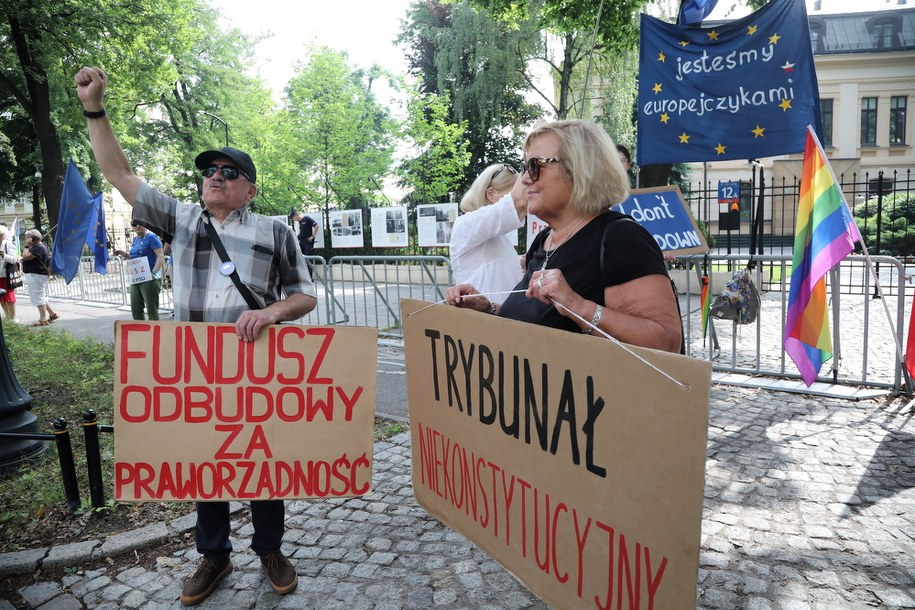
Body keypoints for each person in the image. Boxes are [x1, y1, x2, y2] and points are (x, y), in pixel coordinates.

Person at [76, 66, 317, 606]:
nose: (215, 175)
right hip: (193, 369)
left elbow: (306, 294)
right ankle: (214, 555)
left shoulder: (274, 231)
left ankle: (271, 549)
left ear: (249, 189)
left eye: (229, 172)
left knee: (260, 458)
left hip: (254, 367)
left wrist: (272, 313)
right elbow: (117, 173)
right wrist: (95, 107)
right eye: (209, 169)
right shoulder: (182, 219)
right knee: (205, 461)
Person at [445, 119, 682, 354]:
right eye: (525, 166)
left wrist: (578, 306)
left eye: (536, 165)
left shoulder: (619, 237)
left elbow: (666, 342)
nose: (526, 178)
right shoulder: (546, 239)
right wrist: (490, 309)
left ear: (579, 169)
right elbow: (539, 323)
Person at [449, 164, 527, 304]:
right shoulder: (466, 224)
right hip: (484, 322)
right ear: (491, 194)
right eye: (511, 194)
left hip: (499, 319)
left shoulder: (497, 237)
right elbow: (518, 203)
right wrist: (533, 159)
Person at [113, 222, 165, 320]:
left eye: (139, 223)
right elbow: (133, 257)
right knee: (136, 309)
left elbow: (160, 256)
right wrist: (121, 253)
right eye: (134, 224)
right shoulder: (136, 239)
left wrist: (154, 272)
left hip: (150, 278)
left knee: (152, 310)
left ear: (146, 224)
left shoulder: (151, 237)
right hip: (136, 278)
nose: (137, 226)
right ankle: (140, 333)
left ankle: (155, 333)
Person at [20, 229, 60, 327]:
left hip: (36, 275)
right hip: (36, 275)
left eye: (27, 238)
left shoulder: (37, 247)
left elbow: (25, 256)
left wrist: (26, 245)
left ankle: (43, 319)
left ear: (32, 239)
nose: (26, 239)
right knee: (40, 295)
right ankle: (51, 314)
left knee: (38, 296)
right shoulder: (38, 247)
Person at [0, 224, 19, 321]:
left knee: (9, 297)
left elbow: (15, 259)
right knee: (1, 298)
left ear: (2, 235)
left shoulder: (8, 244)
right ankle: (7, 317)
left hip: (6, 275)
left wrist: (4, 255)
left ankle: (13, 318)